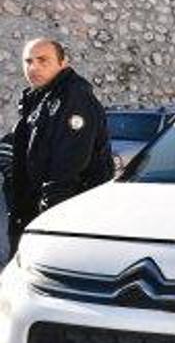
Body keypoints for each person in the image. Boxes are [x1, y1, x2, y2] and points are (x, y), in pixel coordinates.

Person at [0, 38, 113, 252]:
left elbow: (67, 168)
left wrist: (51, 225)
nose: (34, 67)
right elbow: (31, 140)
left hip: (64, 219)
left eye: (43, 60)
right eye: (29, 61)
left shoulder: (72, 98)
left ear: (63, 63)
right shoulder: (41, 98)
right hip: (35, 212)